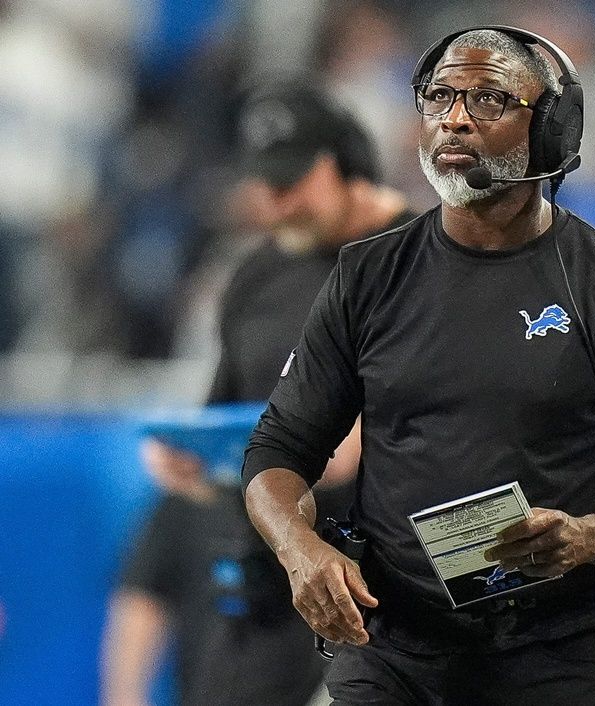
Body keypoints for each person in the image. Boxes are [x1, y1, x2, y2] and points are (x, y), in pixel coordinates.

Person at [240, 26, 595, 706]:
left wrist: (588, 537)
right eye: (439, 96)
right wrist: (300, 548)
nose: (455, 117)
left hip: (558, 651)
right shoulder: (365, 276)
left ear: (551, 129)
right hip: (393, 645)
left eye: (489, 98)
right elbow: (277, 452)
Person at [100, 81, 416, 706]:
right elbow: (225, 415)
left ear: (345, 163)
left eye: (293, 182)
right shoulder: (256, 274)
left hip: (393, 581)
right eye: (266, 186)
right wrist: (193, 458)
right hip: (272, 575)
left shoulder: (422, 259)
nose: (276, 204)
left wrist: (366, 435)